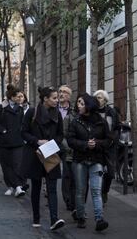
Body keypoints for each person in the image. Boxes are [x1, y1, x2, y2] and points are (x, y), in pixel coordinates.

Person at [21, 86, 65, 230]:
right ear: (45, 99)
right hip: (35, 154)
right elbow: (23, 132)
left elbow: (60, 134)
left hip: (51, 153)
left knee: (52, 188)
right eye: (54, 98)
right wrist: (37, 141)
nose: (57, 100)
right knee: (36, 187)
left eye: (57, 98)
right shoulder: (32, 113)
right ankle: (36, 217)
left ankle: (54, 219)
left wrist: (53, 144)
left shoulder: (57, 114)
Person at [67, 93, 111, 231]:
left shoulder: (101, 122)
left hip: (96, 159)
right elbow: (70, 140)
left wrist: (96, 143)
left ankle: (99, 219)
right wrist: (85, 144)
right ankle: (81, 217)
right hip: (80, 160)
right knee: (80, 190)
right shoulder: (76, 121)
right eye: (78, 103)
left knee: (96, 191)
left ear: (88, 105)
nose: (78, 105)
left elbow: (109, 140)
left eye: (81, 103)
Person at [0, 85, 26, 197]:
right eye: (17, 97)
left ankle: (18, 186)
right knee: (6, 165)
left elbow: (23, 124)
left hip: (18, 141)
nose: (19, 98)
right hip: (5, 142)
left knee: (17, 164)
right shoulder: (1, 108)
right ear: (11, 97)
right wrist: (3, 131)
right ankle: (10, 186)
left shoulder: (20, 109)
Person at [93, 90, 119, 204]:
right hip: (97, 146)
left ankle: (104, 191)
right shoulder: (92, 112)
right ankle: (98, 197)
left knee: (110, 173)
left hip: (110, 146)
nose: (98, 100)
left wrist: (114, 140)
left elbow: (117, 127)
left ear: (105, 100)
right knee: (97, 172)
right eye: (97, 97)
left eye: (100, 98)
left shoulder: (112, 112)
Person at [58, 85, 77, 213]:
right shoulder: (53, 109)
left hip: (67, 146)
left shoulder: (73, 111)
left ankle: (70, 200)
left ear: (69, 96)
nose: (61, 94)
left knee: (68, 173)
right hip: (54, 144)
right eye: (60, 91)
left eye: (64, 92)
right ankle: (50, 193)